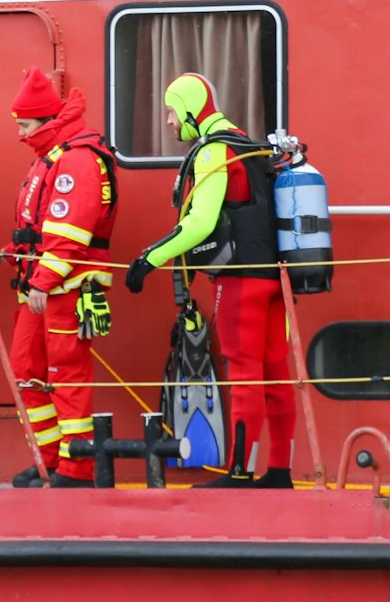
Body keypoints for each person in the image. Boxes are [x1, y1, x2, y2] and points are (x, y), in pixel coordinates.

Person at [123, 73, 293, 489]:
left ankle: (238, 473)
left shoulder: (213, 152)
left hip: (239, 282)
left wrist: (149, 259)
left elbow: (199, 223)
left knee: (245, 372)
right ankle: (279, 472)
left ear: (188, 109)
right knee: (275, 373)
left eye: (170, 110)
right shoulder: (247, 145)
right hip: (273, 277)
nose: (167, 121)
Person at [5, 68, 118, 490]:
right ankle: (49, 460)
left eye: (24, 125)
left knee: (66, 374)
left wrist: (42, 281)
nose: (20, 133)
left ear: (45, 122)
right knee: (27, 369)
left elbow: (71, 232)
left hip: (65, 287)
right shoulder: (52, 156)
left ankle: (77, 469)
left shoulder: (75, 160)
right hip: (43, 285)